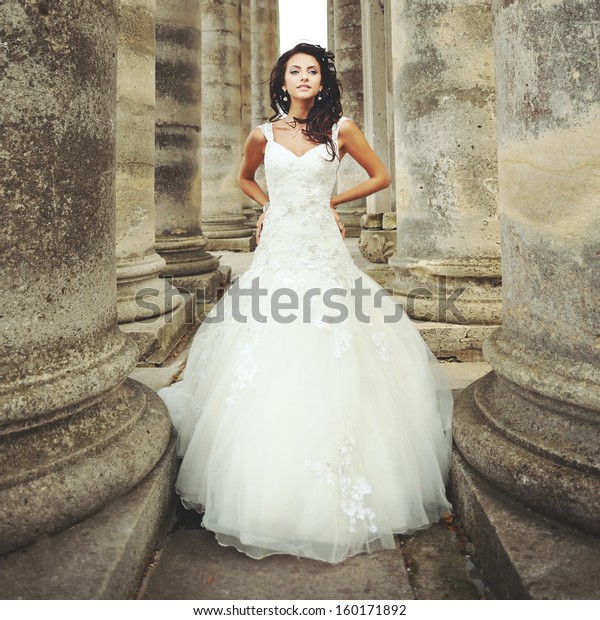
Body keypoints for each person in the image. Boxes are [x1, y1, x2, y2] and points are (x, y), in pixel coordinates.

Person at [157, 43, 453, 564]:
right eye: (295, 71)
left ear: (322, 82)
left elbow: (381, 176)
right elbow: (247, 179)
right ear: (282, 80)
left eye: (312, 71)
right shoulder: (263, 133)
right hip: (278, 247)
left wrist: (330, 203)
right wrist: (271, 207)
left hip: (320, 244)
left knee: (330, 334)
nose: (303, 78)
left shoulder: (341, 129)